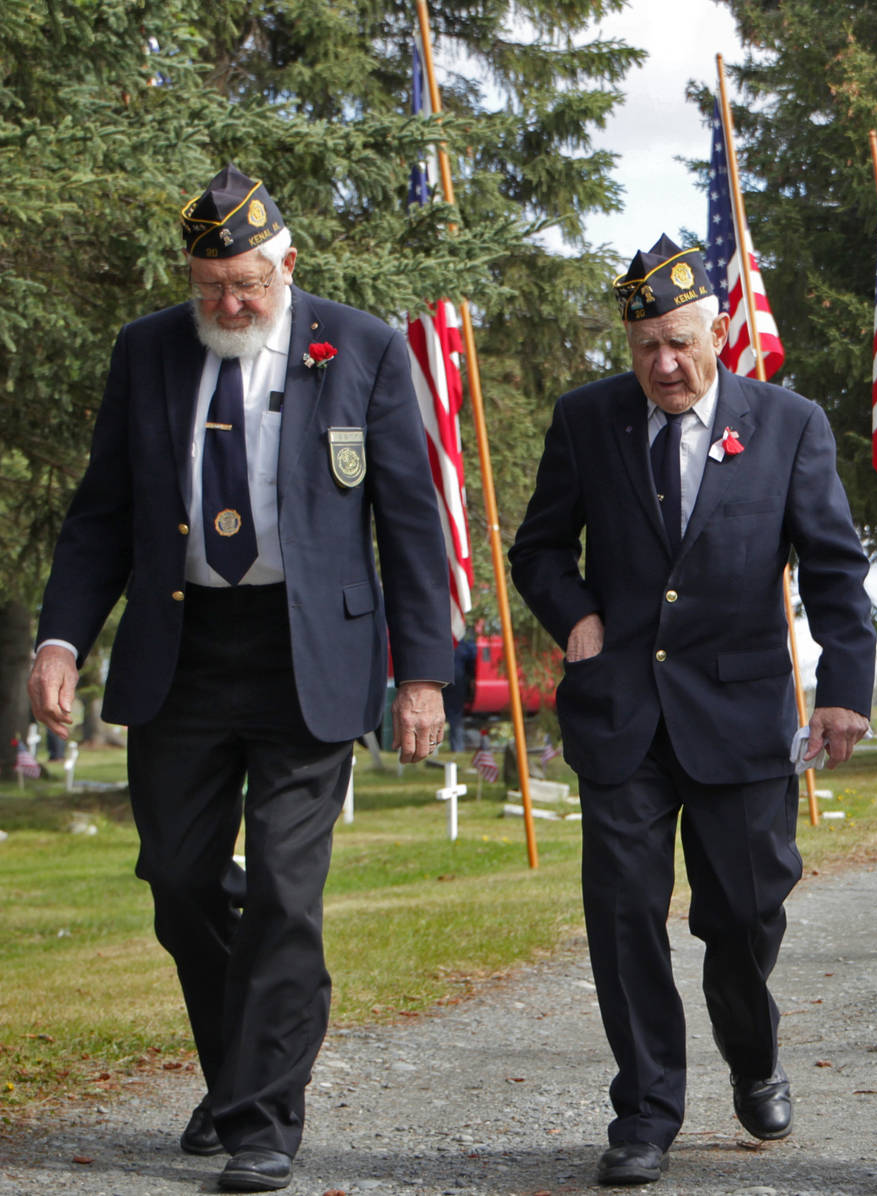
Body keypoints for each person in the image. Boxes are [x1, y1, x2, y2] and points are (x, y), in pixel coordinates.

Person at [27, 166, 452, 1192]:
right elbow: (100, 515)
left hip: (309, 654)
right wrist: (58, 640)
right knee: (178, 882)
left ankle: (263, 1115)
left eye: (248, 283)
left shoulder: (360, 348)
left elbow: (409, 520)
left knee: (284, 893)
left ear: (287, 264)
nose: (229, 303)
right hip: (183, 648)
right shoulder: (148, 352)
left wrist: (423, 675)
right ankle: (242, 1067)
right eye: (210, 283)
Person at [508, 237, 876, 1188]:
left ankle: (752, 1055)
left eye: (678, 342)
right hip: (623, 713)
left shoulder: (788, 424)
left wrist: (844, 690)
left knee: (745, 914)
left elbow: (835, 568)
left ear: (718, 327)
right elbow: (539, 548)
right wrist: (577, 613)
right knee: (624, 916)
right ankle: (646, 1109)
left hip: (744, 716)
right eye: (644, 348)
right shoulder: (587, 421)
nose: (664, 366)